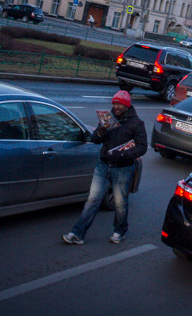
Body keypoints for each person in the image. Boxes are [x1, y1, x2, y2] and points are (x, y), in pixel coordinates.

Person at [62, 90, 147, 245]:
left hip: (123, 169)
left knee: (120, 203)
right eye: (115, 103)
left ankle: (120, 231)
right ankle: (78, 233)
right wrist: (101, 131)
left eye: (120, 104)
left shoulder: (136, 124)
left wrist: (122, 155)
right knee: (92, 200)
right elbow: (95, 140)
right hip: (103, 166)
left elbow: (142, 148)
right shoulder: (107, 118)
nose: (117, 107)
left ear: (127, 105)